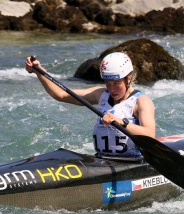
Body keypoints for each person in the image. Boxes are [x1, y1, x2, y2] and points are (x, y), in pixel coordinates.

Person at [25, 52, 155, 157]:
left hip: (131, 162)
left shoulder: (141, 101)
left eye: (116, 83)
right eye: (107, 83)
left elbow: (150, 134)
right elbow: (61, 95)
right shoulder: (100, 95)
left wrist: (121, 122)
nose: (111, 89)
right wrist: (38, 71)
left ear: (129, 78)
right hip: (103, 161)